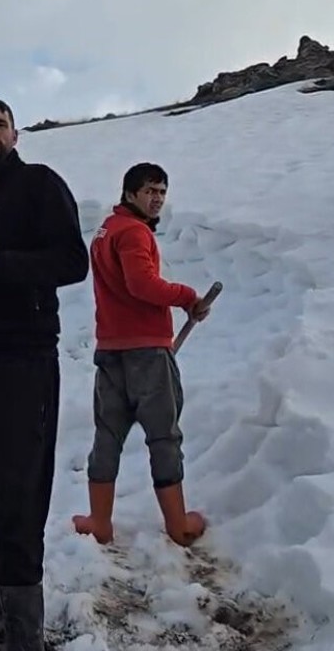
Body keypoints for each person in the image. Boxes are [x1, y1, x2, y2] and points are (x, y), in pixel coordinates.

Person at [0, 97, 89, 651]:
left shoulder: (41, 186)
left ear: (16, 133)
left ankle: (26, 635)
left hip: (25, 359)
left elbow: (72, 263)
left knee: (19, 490)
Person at [70, 162, 211, 550]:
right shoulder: (133, 233)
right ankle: (178, 524)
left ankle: (100, 521)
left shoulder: (106, 231)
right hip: (147, 351)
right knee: (163, 435)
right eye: (150, 191)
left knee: (108, 433)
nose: (157, 199)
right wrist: (187, 297)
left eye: (162, 192)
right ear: (130, 194)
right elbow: (141, 284)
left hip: (111, 350)